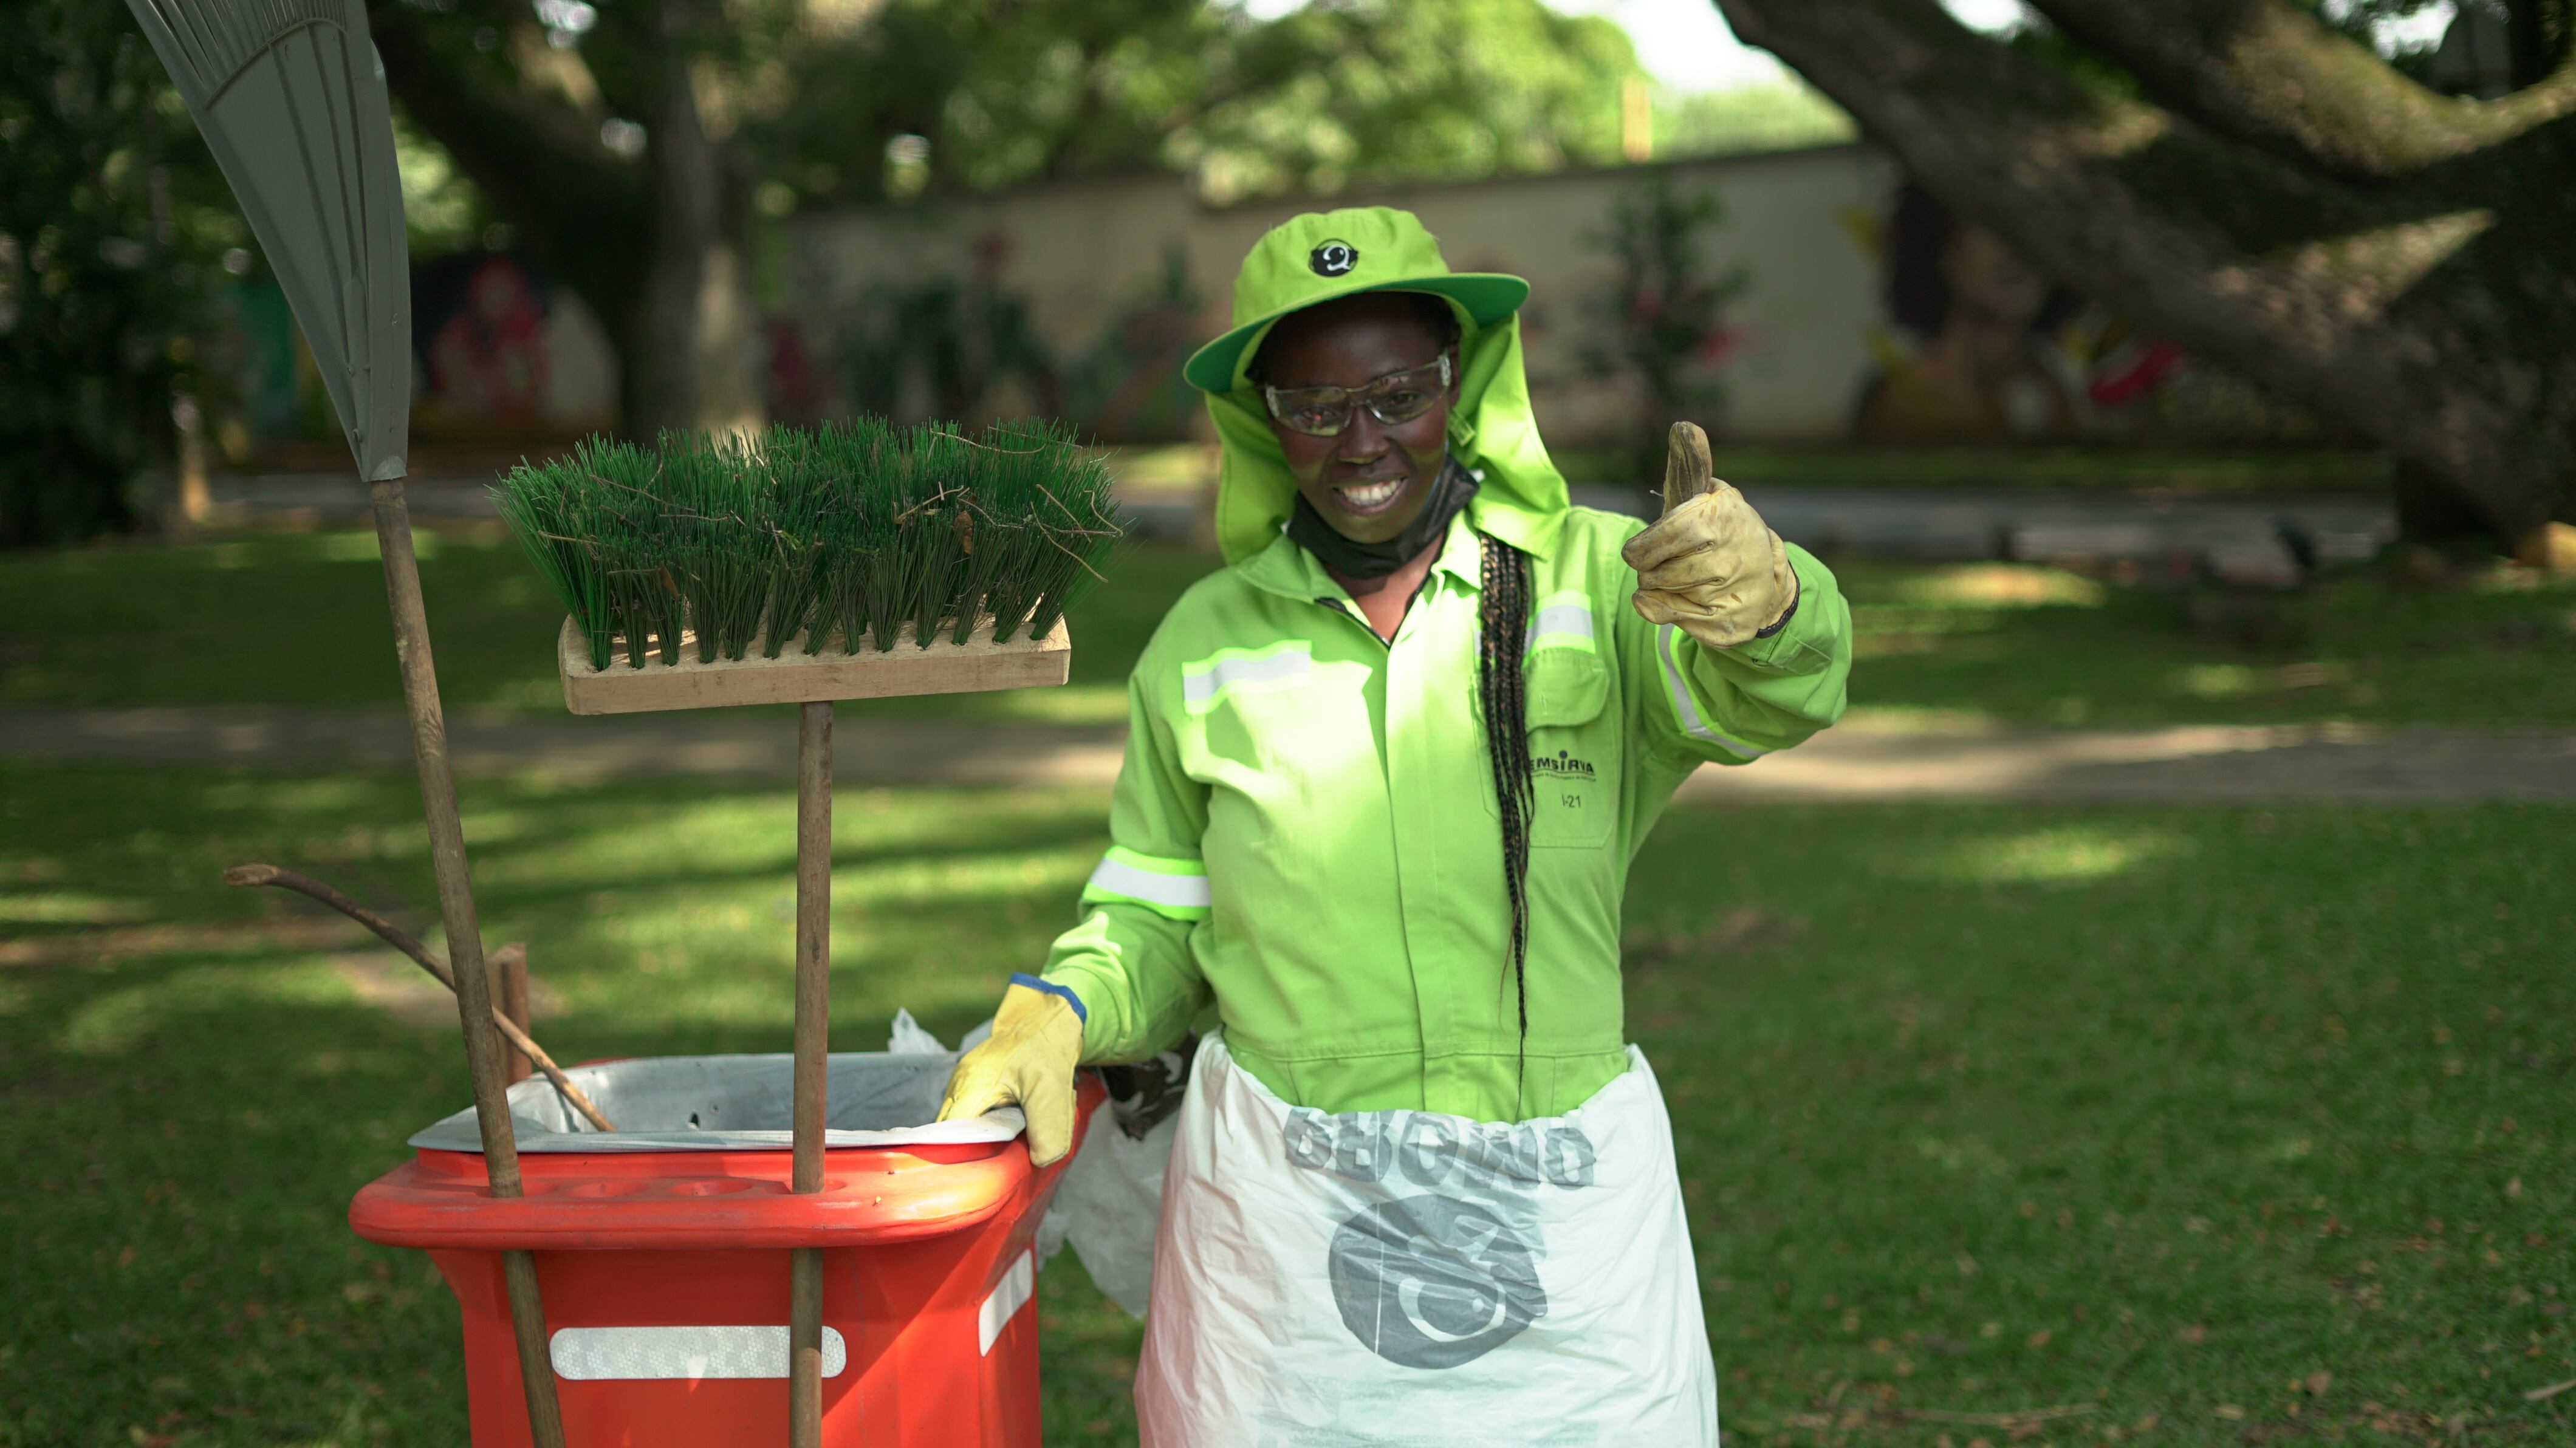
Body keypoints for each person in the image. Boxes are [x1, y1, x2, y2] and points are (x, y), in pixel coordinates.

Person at [938, 207, 1851, 1443]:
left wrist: (1775, 602)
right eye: (1313, 407)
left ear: (1456, 385)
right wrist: (1063, 1006)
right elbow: (1156, 913)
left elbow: (1773, 696)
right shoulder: (1204, 645)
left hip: (1564, 1213)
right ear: (1263, 423)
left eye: (1395, 394)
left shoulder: (1599, 579)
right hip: (1285, 1239)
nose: (1360, 441)